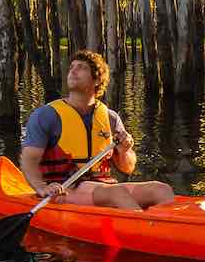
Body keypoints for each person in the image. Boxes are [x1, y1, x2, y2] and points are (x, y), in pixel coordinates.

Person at [20, 51, 175, 210]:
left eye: (81, 68)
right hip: (64, 190)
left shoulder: (110, 118)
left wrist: (124, 151)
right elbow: (29, 160)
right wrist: (41, 187)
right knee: (117, 193)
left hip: (103, 188)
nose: (73, 70)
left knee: (162, 190)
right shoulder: (46, 115)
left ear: (97, 79)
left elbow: (127, 167)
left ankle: (166, 228)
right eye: (72, 67)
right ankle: (144, 229)